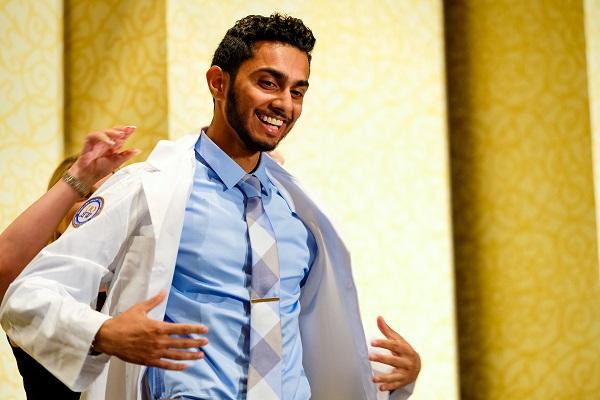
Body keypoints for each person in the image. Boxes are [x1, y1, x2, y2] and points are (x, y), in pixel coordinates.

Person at [1, 14, 420, 400]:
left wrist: (397, 378)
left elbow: (303, 342)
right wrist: (102, 332)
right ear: (218, 83)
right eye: (268, 83)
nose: (285, 105)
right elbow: (27, 294)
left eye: (297, 91)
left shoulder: (298, 211)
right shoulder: (146, 188)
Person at [0, 126, 138, 399]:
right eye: (87, 196)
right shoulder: (35, 289)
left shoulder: (139, 277)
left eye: (110, 196)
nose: (101, 206)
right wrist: (78, 175)